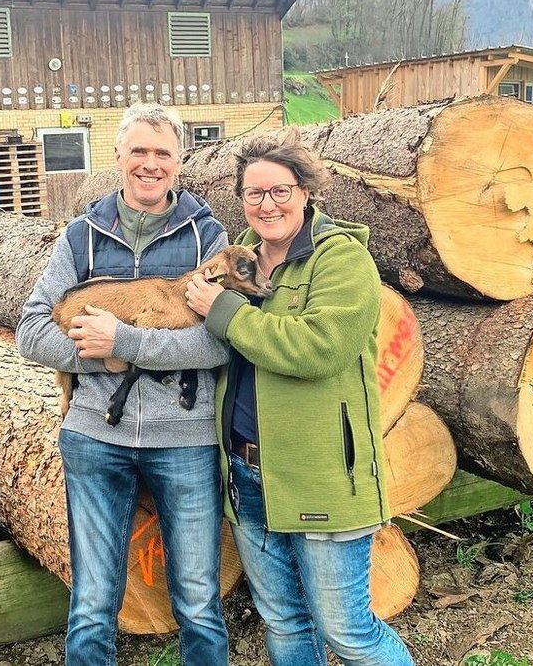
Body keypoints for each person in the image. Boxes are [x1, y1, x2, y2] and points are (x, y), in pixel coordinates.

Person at [185, 130, 415, 666]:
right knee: (285, 623)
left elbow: (319, 348)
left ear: (307, 192)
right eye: (254, 193)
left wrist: (224, 311)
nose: (267, 205)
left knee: (347, 631)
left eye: (280, 191)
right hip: (247, 472)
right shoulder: (237, 260)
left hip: (322, 473)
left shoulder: (341, 260)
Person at [16, 103, 231, 666]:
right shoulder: (82, 237)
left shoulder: (209, 238)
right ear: (117, 157)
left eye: (163, 153)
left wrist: (128, 343)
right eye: (139, 151)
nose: (150, 164)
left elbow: (220, 342)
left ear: (180, 161)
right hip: (94, 440)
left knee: (200, 600)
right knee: (91, 602)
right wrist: (99, 361)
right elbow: (31, 331)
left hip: (185, 440)